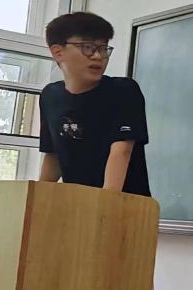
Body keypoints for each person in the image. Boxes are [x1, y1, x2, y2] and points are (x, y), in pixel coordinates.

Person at [38, 12, 151, 196]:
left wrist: (104, 204)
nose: (98, 56)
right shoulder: (50, 96)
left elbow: (121, 151)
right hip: (76, 204)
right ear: (58, 52)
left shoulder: (122, 91)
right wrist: (38, 198)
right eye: (88, 48)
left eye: (104, 48)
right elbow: (53, 155)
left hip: (123, 205)